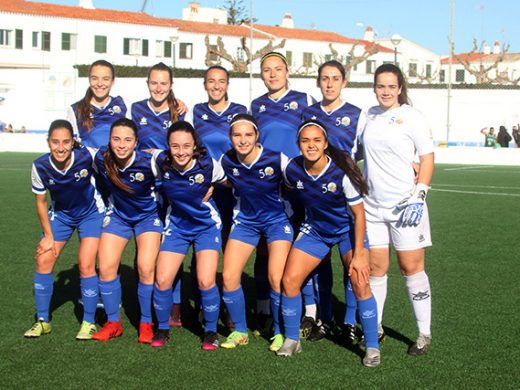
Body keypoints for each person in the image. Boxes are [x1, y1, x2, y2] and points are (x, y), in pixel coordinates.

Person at [278, 120, 380, 367]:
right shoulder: (293, 169)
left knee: (359, 280)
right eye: (305, 141)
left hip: (347, 230)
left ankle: (372, 347)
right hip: (316, 231)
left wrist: (359, 254)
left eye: (316, 141)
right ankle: (292, 339)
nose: (310, 146)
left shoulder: (340, 173)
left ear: (325, 144)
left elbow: (359, 215)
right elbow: (289, 189)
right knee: (289, 280)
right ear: (298, 144)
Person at [361, 63, 434, 356]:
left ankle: (424, 333)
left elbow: (427, 159)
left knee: (410, 268)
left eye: (391, 86)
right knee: (377, 269)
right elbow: (356, 154)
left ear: (400, 88)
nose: (386, 91)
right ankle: (375, 328)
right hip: (372, 207)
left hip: (406, 206)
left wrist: (420, 194)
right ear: (374, 87)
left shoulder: (412, 117)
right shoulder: (368, 115)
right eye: (381, 86)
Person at [301, 60, 367, 343]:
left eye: (335, 78)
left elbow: (368, 149)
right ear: (318, 82)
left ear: (344, 82)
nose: (329, 83)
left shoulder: (356, 114)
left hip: (346, 201)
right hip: (317, 201)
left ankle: (350, 321)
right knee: (320, 262)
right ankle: (324, 318)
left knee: (350, 262)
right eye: (324, 78)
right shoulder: (308, 113)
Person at [250, 52, 315, 330]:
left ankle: (309, 311)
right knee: (265, 248)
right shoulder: (256, 105)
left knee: (304, 247)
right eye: (267, 70)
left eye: (277, 69)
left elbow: (318, 137)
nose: (272, 74)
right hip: (267, 188)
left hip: (298, 187)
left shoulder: (304, 100)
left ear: (287, 72)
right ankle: (264, 306)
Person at [25, 119, 105, 340]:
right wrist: (48, 237)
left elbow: (109, 166)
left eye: (66, 142)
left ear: (73, 143)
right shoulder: (39, 166)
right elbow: (41, 202)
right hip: (61, 216)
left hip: (91, 214)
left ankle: (88, 321)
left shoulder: (86, 156)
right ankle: (43, 320)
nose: (60, 148)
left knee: (86, 264)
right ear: (48, 142)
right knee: (43, 259)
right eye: (55, 142)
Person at [220, 114, 293, 352]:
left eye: (248, 134)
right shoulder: (227, 161)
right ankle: (240, 330)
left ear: (257, 136)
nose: (243, 140)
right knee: (229, 276)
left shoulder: (277, 159)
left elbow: (299, 179)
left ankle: (280, 330)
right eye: (237, 135)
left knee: (276, 277)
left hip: (276, 221)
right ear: (230, 137)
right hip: (246, 222)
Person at [151, 121, 225, 350]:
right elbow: (142, 157)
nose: (181, 151)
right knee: (162, 280)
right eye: (175, 146)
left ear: (194, 146)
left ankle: (211, 331)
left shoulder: (208, 165)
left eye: (186, 146)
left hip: (206, 226)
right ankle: (162, 328)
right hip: (177, 227)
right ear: (168, 147)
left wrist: (214, 188)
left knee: (205, 280)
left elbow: (231, 181)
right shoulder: (160, 162)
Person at [91, 117, 163, 343]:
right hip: (119, 216)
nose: (121, 145)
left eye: (127, 140)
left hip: (148, 217)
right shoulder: (100, 158)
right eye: (116, 139)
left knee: (144, 266)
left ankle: (145, 323)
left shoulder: (150, 161)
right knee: (106, 266)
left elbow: (177, 169)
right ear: (109, 141)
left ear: (136, 142)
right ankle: (113, 323)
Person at [185, 66, 247, 326]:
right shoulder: (196, 111)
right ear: (205, 84)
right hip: (205, 190)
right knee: (204, 247)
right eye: (211, 81)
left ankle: (231, 307)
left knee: (230, 248)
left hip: (233, 190)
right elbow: (190, 147)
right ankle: (204, 304)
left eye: (221, 81)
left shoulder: (240, 111)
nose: (216, 86)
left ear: (228, 84)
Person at [131, 62, 187, 327]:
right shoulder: (136, 109)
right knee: (144, 246)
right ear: (147, 83)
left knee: (171, 245)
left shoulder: (179, 113)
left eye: (164, 83)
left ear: (171, 85)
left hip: (170, 186)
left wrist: (158, 155)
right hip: (142, 188)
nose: (158, 88)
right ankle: (144, 301)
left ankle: (174, 304)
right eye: (154, 82)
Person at [67, 60, 131, 148]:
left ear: (112, 82)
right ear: (89, 80)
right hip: (90, 161)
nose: (100, 84)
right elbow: (72, 144)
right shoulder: (75, 110)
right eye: (94, 78)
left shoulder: (125, 105)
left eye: (105, 79)